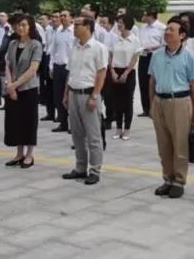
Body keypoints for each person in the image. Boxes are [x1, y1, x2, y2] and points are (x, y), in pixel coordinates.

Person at [148, 17, 194, 199]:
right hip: (159, 102)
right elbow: (152, 80)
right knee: (163, 144)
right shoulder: (157, 55)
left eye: (171, 30)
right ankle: (167, 178)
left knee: (179, 144)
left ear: (182, 35)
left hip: (179, 102)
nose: (167, 32)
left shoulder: (188, 57)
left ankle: (179, 180)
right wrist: (151, 103)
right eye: (166, 30)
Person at [62, 16, 109, 185]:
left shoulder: (99, 48)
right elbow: (71, 72)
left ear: (88, 27)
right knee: (77, 134)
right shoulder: (75, 47)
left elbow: (101, 73)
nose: (74, 28)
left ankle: (95, 170)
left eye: (77, 25)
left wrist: (95, 95)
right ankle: (80, 167)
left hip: (89, 94)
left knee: (93, 135)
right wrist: (66, 93)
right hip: (74, 93)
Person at [3, 15, 43, 168]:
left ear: (30, 27)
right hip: (13, 87)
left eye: (24, 25)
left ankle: (29, 154)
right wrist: (9, 84)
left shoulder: (35, 45)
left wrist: (15, 85)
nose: (21, 28)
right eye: (19, 25)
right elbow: (7, 65)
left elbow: (33, 69)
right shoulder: (13, 44)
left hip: (28, 88)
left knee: (29, 121)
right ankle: (19, 153)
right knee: (15, 121)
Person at [108, 12, 142, 141]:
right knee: (116, 100)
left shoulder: (135, 40)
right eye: (118, 22)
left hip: (129, 72)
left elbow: (135, 58)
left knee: (128, 101)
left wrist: (126, 73)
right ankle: (118, 128)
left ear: (127, 24)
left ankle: (127, 129)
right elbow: (110, 56)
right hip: (115, 70)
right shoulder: (114, 38)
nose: (119, 25)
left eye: (121, 22)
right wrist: (112, 71)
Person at [48, 10, 74, 133]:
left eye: (65, 16)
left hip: (69, 68)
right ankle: (63, 122)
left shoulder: (74, 32)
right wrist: (51, 66)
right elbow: (53, 51)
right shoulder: (58, 32)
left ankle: (71, 124)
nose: (63, 18)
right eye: (61, 16)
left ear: (71, 18)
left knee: (69, 96)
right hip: (58, 66)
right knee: (58, 96)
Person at [137, 10, 165, 118]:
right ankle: (146, 108)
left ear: (151, 16)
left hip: (154, 56)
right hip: (143, 55)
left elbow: (163, 44)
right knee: (143, 81)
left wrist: (152, 48)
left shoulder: (161, 28)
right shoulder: (142, 27)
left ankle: (155, 108)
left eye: (145, 14)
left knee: (153, 81)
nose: (143, 17)